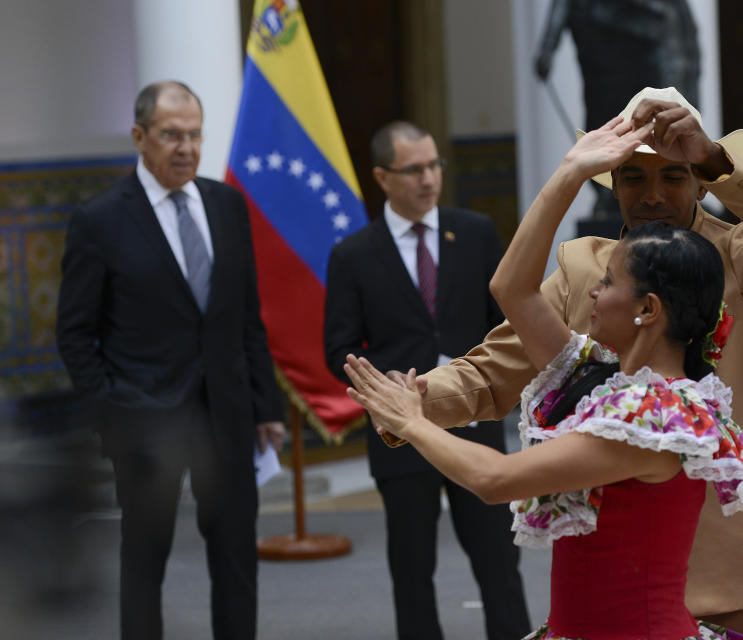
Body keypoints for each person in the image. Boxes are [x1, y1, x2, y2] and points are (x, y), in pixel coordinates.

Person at [402, 86, 743, 639]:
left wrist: (713, 157)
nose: (653, 195)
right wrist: (410, 401)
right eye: (633, 177)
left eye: (675, 176)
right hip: (611, 545)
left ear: (699, 180)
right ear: (612, 184)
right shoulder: (589, 271)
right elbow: (494, 368)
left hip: (722, 553)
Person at [56, 81, 285, 640]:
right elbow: (74, 332)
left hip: (227, 417)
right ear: (139, 137)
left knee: (236, 559)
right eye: (170, 135)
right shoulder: (100, 219)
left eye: (194, 135)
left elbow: (246, 318)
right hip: (145, 422)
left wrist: (265, 405)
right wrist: (114, 413)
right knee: (145, 561)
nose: (185, 147)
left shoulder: (227, 206)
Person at [324, 121, 530, 640]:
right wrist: (381, 385)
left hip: (476, 420)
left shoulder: (475, 231)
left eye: (434, 165)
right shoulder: (353, 254)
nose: (428, 178)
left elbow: (506, 322)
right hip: (399, 431)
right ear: (381, 177)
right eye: (413, 169)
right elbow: (338, 346)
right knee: (412, 570)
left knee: (498, 563)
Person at [534, 0, 701, 219]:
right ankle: (608, 191)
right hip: (598, 56)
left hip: (634, 48)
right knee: (602, 119)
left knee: (637, 120)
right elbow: (561, 6)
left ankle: (646, 182)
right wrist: (547, 47)